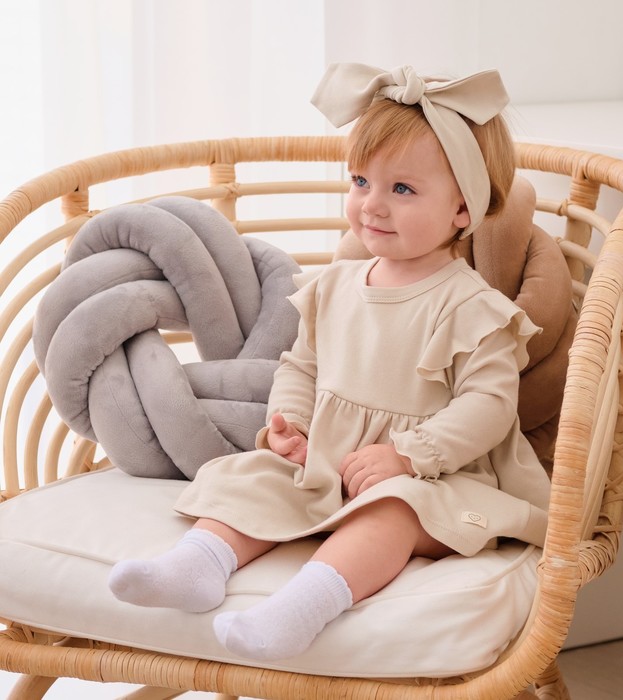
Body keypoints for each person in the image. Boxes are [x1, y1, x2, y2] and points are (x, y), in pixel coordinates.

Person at [108, 63, 552, 662]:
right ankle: (196, 567)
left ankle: (299, 609)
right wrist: (291, 424)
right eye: (361, 181)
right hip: (330, 464)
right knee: (256, 479)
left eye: (402, 189)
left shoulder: (473, 308)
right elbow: (301, 366)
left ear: (462, 211)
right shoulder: (336, 285)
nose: (372, 205)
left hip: (435, 478)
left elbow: (489, 407)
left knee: (393, 514)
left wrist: (407, 456)